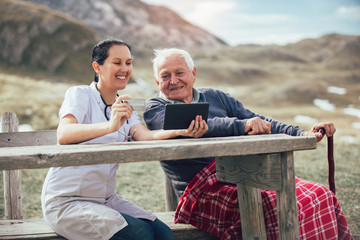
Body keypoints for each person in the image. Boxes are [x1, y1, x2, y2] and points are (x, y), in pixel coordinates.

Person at [143, 48, 353, 239]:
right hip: (200, 191)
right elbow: (190, 123)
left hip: (243, 175)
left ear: (193, 74)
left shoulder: (216, 97)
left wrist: (300, 132)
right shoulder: (155, 107)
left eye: (179, 73)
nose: (173, 81)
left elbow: (258, 121)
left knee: (320, 193)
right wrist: (242, 125)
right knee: (275, 205)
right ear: (157, 81)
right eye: (165, 76)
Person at [41, 40, 208, 240]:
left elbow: (145, 136)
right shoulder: (80, 94)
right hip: (67, 202)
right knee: (140, 234)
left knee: (163, 233)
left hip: (105, 201)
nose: (125, 69)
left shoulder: (125, 105)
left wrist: (181, 131)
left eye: (128, 63)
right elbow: (64, 134)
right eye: (117, 62)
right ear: (97, 67)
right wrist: (110, 126)